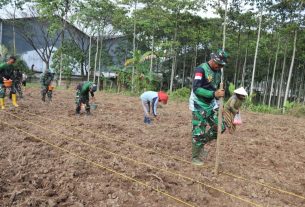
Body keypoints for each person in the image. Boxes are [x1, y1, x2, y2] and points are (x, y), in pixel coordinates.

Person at [189, 49, 228, 166]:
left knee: (220, 127)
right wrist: (213, 94)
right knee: (198, 131)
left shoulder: (218, 72)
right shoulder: (200, 69)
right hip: (198, 104)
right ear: (213, 60)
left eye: (222, 65)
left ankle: (200, 143)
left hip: (211, 104)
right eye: (219, 64)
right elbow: (196, 89)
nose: (220, 67)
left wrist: (219, 102)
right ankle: (195, 157)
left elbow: (215, 89)